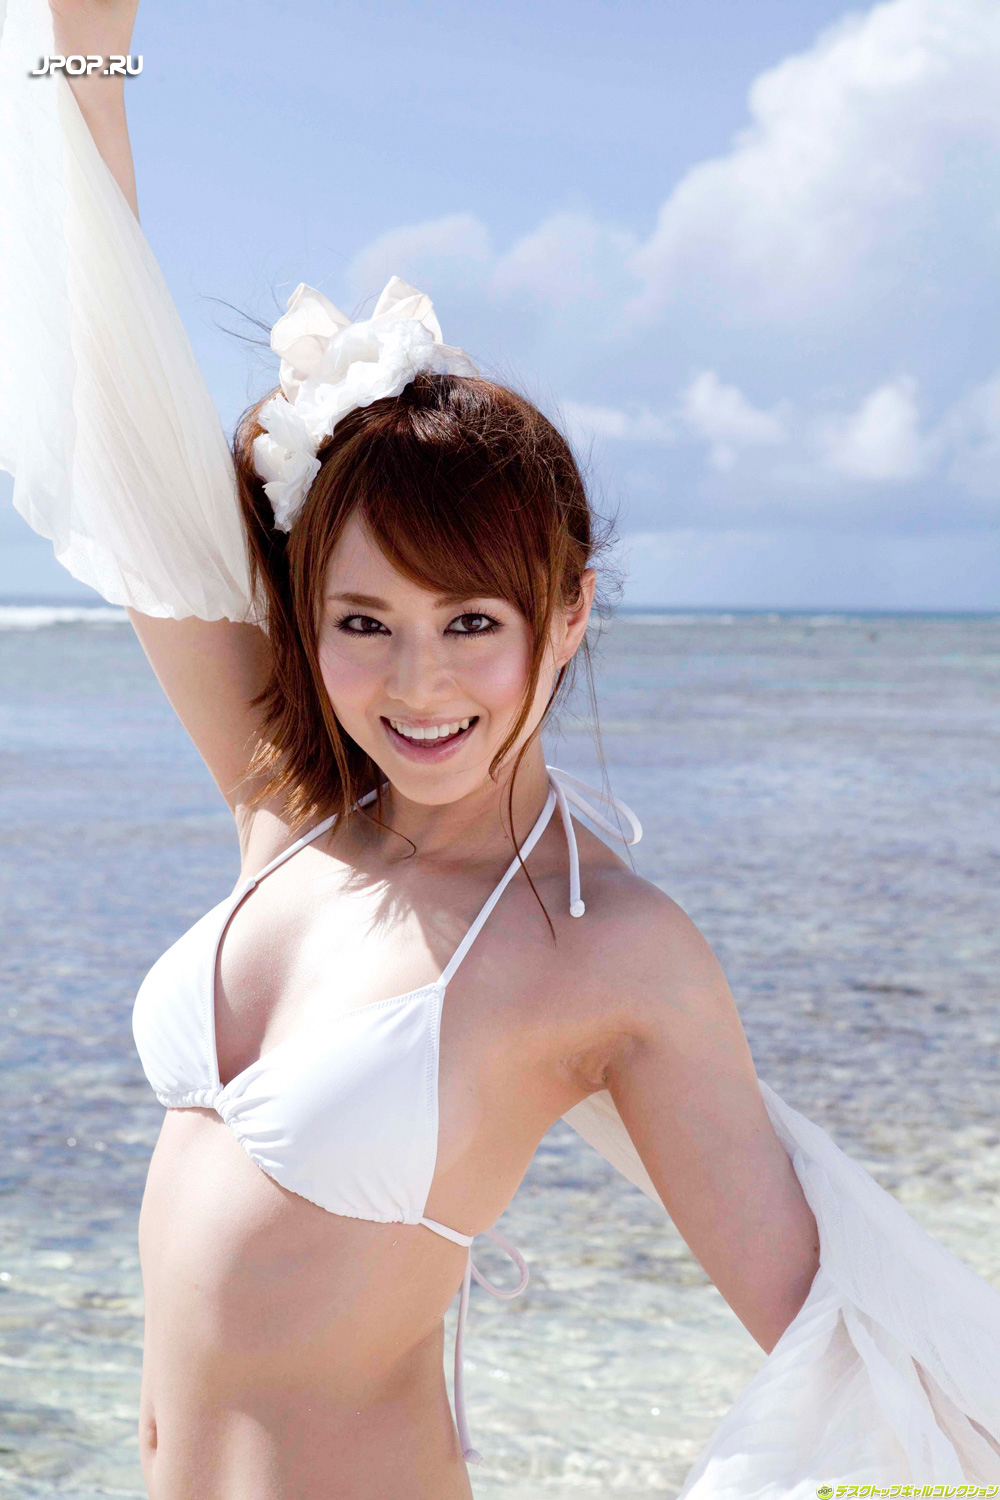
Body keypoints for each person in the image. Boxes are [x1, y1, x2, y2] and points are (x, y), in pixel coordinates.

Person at [0, 1, 998, 1495]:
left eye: (472, 621)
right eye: (364, 621)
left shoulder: (606, 952)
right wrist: (83, 49)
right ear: (308, 618)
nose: (418, 684)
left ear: (567, 612)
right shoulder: (291, 804)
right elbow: (108, 389)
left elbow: (842, 1348)